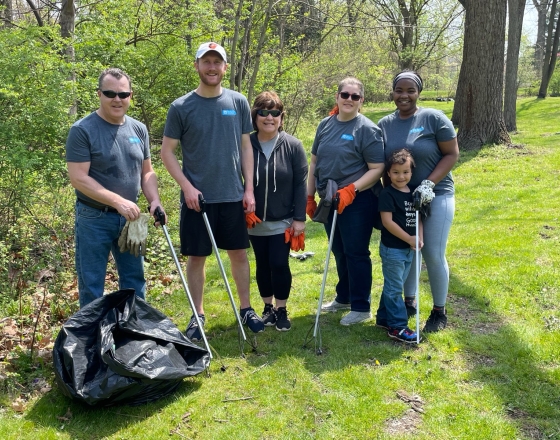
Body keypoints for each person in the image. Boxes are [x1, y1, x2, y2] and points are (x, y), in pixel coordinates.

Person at [160, 42, 264, 341]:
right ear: (196, 66)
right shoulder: (181, 107)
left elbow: (246, 147)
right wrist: (187, 187)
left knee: (239, 255)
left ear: (225, 67)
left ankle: (246, 309)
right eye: (206, 61)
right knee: (197, 257)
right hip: (198, 201)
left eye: (217, 62)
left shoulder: (239, 101)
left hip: (233, 195)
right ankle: (198, 314)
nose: (212, 67)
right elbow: (167, 152)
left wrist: (249, 189)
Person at [66, 67, 166, 308]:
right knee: (92, 285)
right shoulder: (82, 130)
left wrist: (154, 200)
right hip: (94, 218)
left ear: (131, 96)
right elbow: (78, 178)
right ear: (99, 94)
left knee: (134, 281)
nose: (117, 99)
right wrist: (117, 202)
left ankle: (134, 335)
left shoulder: (138, 129)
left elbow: (147, 172)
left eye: (123, 94)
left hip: (131, 220)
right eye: (110, 93)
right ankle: (91, 341)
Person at [378, 70, 459, 332]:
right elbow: (381, 165)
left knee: (432, 253)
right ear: (392, 92)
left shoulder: (434, 118)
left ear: (419, 92)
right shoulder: (384, 124)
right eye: (399, 90)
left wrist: (428, 184)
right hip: (402, 199)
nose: (404, 95)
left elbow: (451, 154)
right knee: (408, 251)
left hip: (436, 195)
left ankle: (438, 312)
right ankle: (409, 302)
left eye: (410, 90)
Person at [307, 77, 385, 326]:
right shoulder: (325, 124)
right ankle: (345, 296)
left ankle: (362, 307)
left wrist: (353, 189)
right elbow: (314, 162)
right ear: (337, 97)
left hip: (357, 201)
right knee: (338, 249)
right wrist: (309, 196)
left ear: (362, 101)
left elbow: (377, 168)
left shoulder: (367, 130)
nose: (349, 100)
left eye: (355, 96)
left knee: (356, 252)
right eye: (345, 95)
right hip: (329, 199)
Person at [247, 91, 308, 332]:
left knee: (279, 263)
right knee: (262, 264)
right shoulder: (246, 143)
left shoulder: (293, 146)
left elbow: (300, 184)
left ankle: (281, 309)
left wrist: (299, 218)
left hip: (282, 219)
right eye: (264, 112)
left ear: (281, 117)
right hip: (253, 220)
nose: (269, 117)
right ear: (256, 116)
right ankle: (267, 308)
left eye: (275, 113)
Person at [375, 149, 422, 343]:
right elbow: (387, 222)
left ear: (411, 172)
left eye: (405, 172)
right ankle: (397, 327)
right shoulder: (388, 194)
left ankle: (384, 318)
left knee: (393, 285)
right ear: (388, 173)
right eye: (395, 172)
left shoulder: (414, 193)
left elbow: (420, 217)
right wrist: (408, 239)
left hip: (408, 249)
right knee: (395, 289)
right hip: (393, 249)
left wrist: (418, 237)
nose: (401, 176)